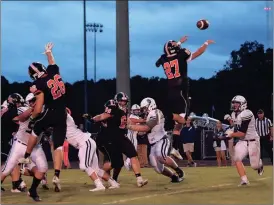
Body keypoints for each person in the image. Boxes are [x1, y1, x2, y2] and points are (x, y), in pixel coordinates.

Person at [19, 42, 67, 193]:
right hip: (62, 113)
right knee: (58, 145)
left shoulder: (38, 83)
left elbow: (38, 106)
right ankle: (57, 175)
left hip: (51, 112)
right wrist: (48, 53)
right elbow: (52, 63)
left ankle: (26, 156)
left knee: (35, 128)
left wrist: (33, 116)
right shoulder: (54, 73)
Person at [84, 92, 148, 187]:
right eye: (121, 101)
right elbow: (103, 115)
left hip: (121, 136)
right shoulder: (112, 106)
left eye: (125, 101)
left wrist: (136, 126)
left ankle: (139, 179)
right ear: (117, 101)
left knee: (133, 155)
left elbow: (127, 121)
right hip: (110, 138)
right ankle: (99, 172)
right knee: (117, 163)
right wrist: (93, 119)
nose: (123, 103)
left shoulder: (125, 110)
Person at [155, 36, 214, 132]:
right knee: (183, 119)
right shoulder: (181, 55)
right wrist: (206, 43)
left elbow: (160, 61)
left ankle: (176, 145)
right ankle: (166, 115)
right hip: (181, 91)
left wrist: (178, 43)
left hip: (170, 91)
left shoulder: (163, 58)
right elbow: (197, 53)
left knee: (178, 125)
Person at [2, 93, 48, 201]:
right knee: (7, 169)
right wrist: (31, 111)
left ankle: (32, 191)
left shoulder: (45, 112)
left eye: (35, 100)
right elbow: (19, 118)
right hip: (20, 144)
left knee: (43, 169)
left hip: (35, 146)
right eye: (31, 101)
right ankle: (19, 179)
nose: (33, 103)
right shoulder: (24, 109)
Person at [127, 97, 184, 183]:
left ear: (151, 105)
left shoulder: (155, 112)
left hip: (161, 140)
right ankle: (173, 177)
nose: (143, 111)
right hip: (152, 144)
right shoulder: (148, 115)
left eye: (145, 108)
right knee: (158, 169)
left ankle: (178, 169)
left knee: (160, 156)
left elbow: (146, 128)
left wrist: (129, 126)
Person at [225, 95, 264, 186]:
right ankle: (244, 180)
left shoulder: (247, 113)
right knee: (237, 158)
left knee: (255, 166)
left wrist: (230, 134)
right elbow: (236, 128)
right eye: (233, 103)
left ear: (243, 104)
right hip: (242, 141)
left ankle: (260, 164)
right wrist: (229, 131)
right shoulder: (234, 114)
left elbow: (242, 132)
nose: (234, 105)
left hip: (253, 140)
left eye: (237, 103)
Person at [1, 94, 27, 192]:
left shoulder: (5, 109)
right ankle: (16, 184)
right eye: (19, 103)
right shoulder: (12, 111)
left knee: (9, 162)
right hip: (4, 139)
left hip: (4, 138)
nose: (20, 105)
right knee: (13, 161)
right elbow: (19, 121)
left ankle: (17, 183)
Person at [124, 104, 146, 170]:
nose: (137, 111)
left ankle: (129, 164)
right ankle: (127, 163)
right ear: (132, 111)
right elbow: (133, 120)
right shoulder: (132, 116)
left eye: (138, 110)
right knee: (132, 151)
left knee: (133, 151)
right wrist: (144, 120)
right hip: (131, 135)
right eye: (135, 110)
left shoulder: (137, 117)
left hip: (134, 135)